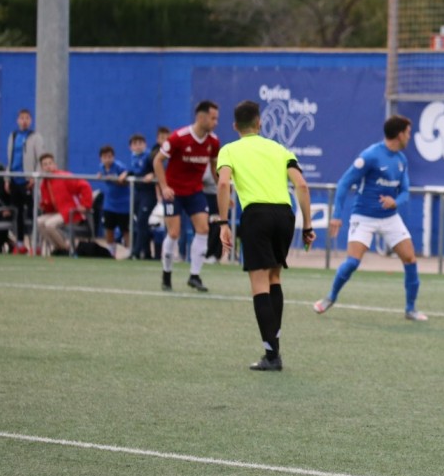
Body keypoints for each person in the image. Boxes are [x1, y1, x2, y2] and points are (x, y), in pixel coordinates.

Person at [215, 100, 314, 372]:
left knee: (259, 284)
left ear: (235, 126)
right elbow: (302, 185)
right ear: (260, 123)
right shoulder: (280, 148)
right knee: (274, 278)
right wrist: (307, 226)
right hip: (285, 215)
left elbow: (223, 183)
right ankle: (274, 349)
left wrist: (223, 222)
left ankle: (272, 356)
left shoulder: (229, 150)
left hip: (256, 215)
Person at [314, 115, 428, 321]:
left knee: (410, 259)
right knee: (353, 262)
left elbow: (405, 192)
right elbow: (343, 183)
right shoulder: (370, 156)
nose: (410, 137)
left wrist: (395, 202)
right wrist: (336, 216)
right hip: (364, 217)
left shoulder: (402, 160)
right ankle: (330, 297)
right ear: (399, 134)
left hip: (390, 218)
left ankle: (410, 309)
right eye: (408, 133)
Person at [153, 101, 220, 292]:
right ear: (201, 117)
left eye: (217, 118)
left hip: (195, 192)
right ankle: (166, 274)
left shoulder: (213, 142)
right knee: (174, 233)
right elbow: (158, 161)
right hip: (174, 192)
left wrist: (223, 192)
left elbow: (215, 169)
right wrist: (164, 187)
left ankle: (194, 276)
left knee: (203, 229)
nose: (216, 122)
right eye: (213, 118)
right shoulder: (179, 138)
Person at [36, 154, 94, 256]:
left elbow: (85, 185)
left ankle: (65, 249)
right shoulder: (44, 183)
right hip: (58, 213)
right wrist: (44, 205)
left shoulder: (63, 176)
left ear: (55, 164)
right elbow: (48, 204)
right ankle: (58, 246)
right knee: (39, 222)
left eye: (50, 163)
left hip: (70, 212)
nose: (48, 166)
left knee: (49, 224)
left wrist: (85, 205)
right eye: (45, 164)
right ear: (42, 168)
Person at [5, 108, 44, 254]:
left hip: (29, 181)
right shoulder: (13, 136)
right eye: (21, 118)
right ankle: (20, 243)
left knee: (33, 213)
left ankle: (36, 244)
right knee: (18, 213)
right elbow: (10, 159)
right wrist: (8, 179)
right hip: (15, 180)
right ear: (17, 120)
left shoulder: (36, 137)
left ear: (31, 120)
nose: (24, 121)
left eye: (27, 118)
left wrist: (35, 176)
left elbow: (40, 159)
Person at [128, 134, 157, 260]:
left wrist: (153, 174)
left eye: (140, 143)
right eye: (135, 143)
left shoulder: (149, 156)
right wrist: (125, 174)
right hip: (138, 193)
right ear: (131, 147)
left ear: (145, 145)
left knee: (141, 221)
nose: (138, 146)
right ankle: (147, 253)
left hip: (148, 193)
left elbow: (159, 166)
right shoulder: (133, 157)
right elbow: (134, 171)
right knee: (140, 223)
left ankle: (136, 252)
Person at [97, 145, 130, 256]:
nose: (108, 159)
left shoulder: (119, 166)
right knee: (109, 228)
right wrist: (100, 175)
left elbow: (127, 173)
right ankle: (111, 252)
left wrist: (122, 177)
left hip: (123, 204)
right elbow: (101, 174)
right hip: (109, 204)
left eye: (110, 156)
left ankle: (129, 251)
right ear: (101, 158)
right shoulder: (101, 167)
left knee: (125, 229)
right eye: (105, 157)